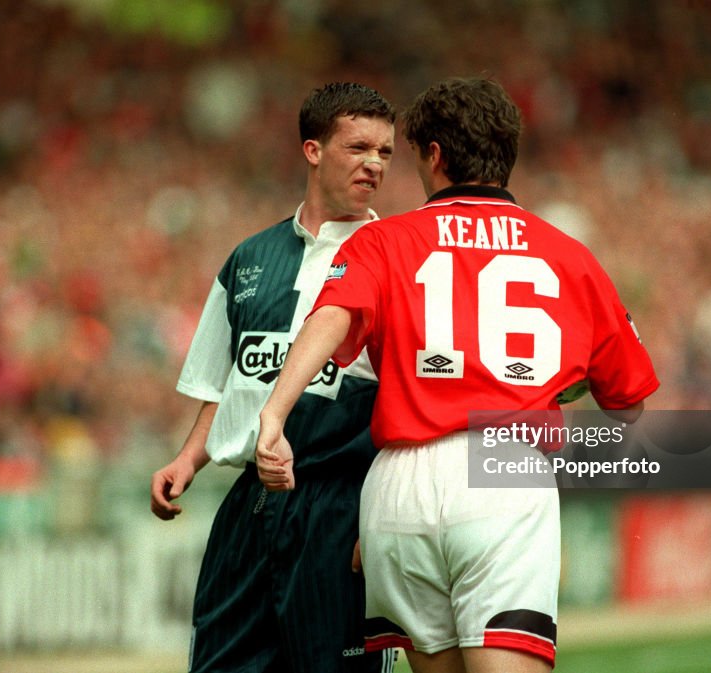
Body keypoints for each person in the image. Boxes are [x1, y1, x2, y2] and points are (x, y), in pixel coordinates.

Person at [256, 77, 659, 673]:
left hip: (396, 487)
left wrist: (274, 414)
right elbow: (627, 404)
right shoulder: (570, 256)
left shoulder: (381, 240)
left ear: (435, 155)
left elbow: (333, 314)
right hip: (504, 468)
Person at [150, 82, 399, 673]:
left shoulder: (396, 259)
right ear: (313, 150)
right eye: (358, 147)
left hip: (342, 506)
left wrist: (383, 517)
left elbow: (411, 394)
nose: (374, 164)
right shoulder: (248, 259)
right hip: (251, 510)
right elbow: (227, 380)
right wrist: (188, 460)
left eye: (386, 152)